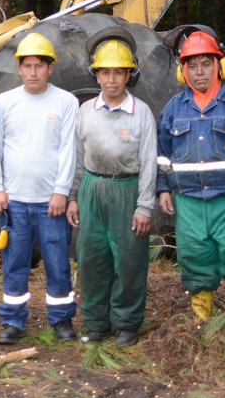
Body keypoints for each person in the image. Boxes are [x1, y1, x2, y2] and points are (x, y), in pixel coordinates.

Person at [156, 26, 225, 338]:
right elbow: (163, 154)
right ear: (182, 70)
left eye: (206, 64)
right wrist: (163, 188)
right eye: (192, 65)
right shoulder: (174, 108)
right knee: (195, 257)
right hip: (188, 200)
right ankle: (202, 319)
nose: (199, 72)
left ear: (220, 65)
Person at [0, 32, 78, 344]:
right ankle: (13, 321)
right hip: (14, 203)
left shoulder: (66, 102)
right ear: (19, 69)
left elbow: (69, 150)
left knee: (58, 265)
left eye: (40, 65)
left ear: (50, 68)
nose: (33, 71)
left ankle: (62, 321)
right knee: (14, 265)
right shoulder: (4, 103)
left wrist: (61, 191)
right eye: (28, 66)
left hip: (51, 203)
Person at [66, 32, 157, 348]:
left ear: (128, 74)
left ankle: (127, 324)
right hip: (92, 187)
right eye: (105, 72)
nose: (111, 79)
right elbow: (77, 157)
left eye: (118, 72)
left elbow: (148, 162)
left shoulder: (141, 112)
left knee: (129, 261)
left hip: (127, 189)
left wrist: (145, 206)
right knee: (91, 259)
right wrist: (73, 197)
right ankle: (94, 323)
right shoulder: (86, 111)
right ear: (97, 74)